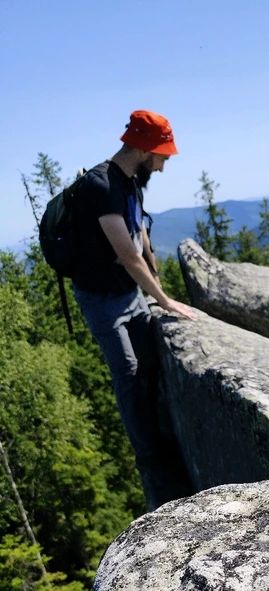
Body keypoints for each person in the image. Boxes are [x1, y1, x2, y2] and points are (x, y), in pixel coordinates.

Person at [72, 109, 196, 511]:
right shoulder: (100, 185)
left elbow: (141, 238)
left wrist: (157, 285)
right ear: (143, 148)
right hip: (103, 300)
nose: (163, 165)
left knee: (149, 367)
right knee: (126, 372)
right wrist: (163, 300)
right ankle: (150, 460)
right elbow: (126, 255)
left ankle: (160, 439)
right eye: (161, 155)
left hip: (130, 295)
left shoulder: (130, 183)